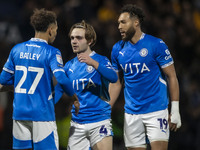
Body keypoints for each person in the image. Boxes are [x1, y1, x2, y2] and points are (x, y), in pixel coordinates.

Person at [0, 8, 79, 150]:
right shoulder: (51, 52)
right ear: (50, 29)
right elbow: (61, 78)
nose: (56, 33)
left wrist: (18, 87)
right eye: (56, 29)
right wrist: (74, 97)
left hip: (19, 114)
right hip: (42, 115)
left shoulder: (16, 49)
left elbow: (4, 80)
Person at [109, 4, 181, 150]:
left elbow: (172, 76)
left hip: (156, 110)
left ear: (136, 22)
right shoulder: (117, 49)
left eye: (123, 22)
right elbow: (116, 83)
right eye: (118, 23)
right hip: (131, 114)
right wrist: (106, 108)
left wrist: (175, 109)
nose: (119, 27)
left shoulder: (156, 44)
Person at [54, 20, 118, 150]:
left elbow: (113, 77)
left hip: (99, 120)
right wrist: (47, 106)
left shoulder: (100, 60)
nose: (74, 41)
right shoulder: (69, 65)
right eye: (72, 38)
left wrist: (93, 63)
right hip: (77, 123)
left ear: (89, 41)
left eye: (79, 37)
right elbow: (60, 89)